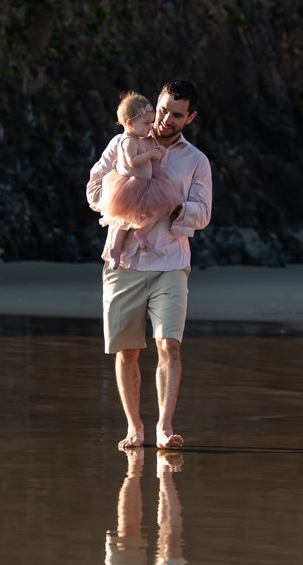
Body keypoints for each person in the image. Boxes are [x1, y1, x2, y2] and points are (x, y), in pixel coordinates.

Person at [87, 80, 213, 450]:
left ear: (190, 117)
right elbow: (93, 190)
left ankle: (164, 427)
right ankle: (134, 428)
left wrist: (172, 207)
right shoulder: (122, 143)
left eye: (177, 114)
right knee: (127, 350)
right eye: (162, 110)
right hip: (124, 261)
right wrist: (126, 195)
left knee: (169, 344)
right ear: (154, 105)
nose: (166, 120)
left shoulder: (197, 161)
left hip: (171, 262)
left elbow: (202, 214)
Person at [98, 92, 183, 269]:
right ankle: (115, 248)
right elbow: (133, 162)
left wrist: (158, 152)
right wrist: (151, 154)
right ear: (129, 123)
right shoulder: (128, 140)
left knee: (157, 207)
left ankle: (140, 232)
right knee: (121, 220)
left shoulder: (139, 139)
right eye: (146, 123)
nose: (150, 127)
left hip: (145, 184)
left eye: (151, 122)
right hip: (131, 185)